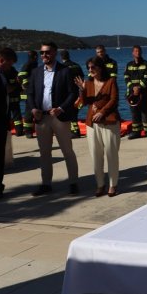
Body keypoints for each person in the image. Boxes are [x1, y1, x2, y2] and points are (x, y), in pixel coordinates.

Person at [27, 41, 80, 196]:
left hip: (59, 117)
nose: (44, 55)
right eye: (42, 52)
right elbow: (30, 93)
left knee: (67, 151)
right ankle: (46, 184)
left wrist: (61, 108)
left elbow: (73, 93)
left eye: (47, 52)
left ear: (55, 53)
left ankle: (73, 182)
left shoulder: (65, 71)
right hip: (42, 118)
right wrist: (33, 109)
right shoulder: (36, 72)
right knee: (44, 153)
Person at [74, 56, 121, 197]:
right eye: (88, 67)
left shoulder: (111, 81)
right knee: (96, 155)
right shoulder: (88, 83)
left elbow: (114, 100)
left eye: (93, 67)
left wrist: (102, 112)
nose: (90, 70)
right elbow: (84, 102)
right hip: (92, 124)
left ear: (100, 68)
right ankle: (100, 184)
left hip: (109, 123)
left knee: (111, 155)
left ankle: (113, 185)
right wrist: (81, 90)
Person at [0, 48, 17, 199]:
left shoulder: (1, 74)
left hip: (2, 121)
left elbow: (4, 91)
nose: (10, 68)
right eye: (9, 64)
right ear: (2, 60)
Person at [124, 45, 147, 140]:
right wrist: (133, 88)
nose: (138, 53)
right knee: (134, 112)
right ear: (132, 53)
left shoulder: (146, 64)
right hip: (132, 94)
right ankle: (136, 132)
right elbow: (126, 78)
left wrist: (139, 88)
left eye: (139, 51)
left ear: (141, 52)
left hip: (144, 93)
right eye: (135, 51)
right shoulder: (129, 65)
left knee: (145, 112)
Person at [60, 50, 85, 138]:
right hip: (78, 90)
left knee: (70, 112)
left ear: (61, 57)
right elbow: (82, 77)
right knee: (75, 110)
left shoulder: (62, 66)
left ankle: (75, 131)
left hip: (68, 92)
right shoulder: (76, 65)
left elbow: (61, 81)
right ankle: (74, 130)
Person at [18, 50, 38, 138]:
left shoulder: (33, 64)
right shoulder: (29, 64)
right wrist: (27, 85)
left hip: (33, 91)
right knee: (29, 111)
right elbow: (21, 75)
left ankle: (34, 130)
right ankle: (28, 131)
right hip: (29, 92)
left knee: (34, 110)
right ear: (35, 56)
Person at [2, 52, 22, 136]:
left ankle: (17, 131)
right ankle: (19, 132)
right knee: (17, 117)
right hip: (12, 99)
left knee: (14, 117)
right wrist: (17, 84)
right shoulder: (11, 71)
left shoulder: (10, 71)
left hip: (9, 100)